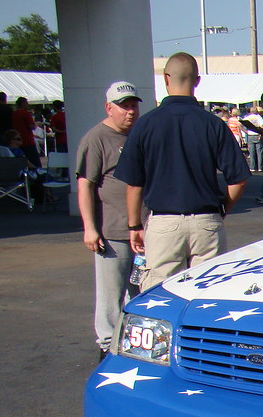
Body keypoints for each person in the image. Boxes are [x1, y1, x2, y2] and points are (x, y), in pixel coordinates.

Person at [115, 52, 250, 291]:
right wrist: (221, 210)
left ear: (166, 78)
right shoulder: (213, 124)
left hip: (164, 223)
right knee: (208, 295)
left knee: (161, 295)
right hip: (206, 221)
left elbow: (134, 184)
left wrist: (135, 225)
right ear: (197, 80)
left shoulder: (145, 125)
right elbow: (237, 180)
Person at [76, 82, 145, 360]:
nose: (130, 111)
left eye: (134, 105)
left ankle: (133, 342)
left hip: (140, 231)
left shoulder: (138, 136)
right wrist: (90, 228)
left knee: (138, 290)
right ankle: (107, 344)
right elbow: (85, 184)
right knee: (111, 294)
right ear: (109, 108)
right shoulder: (96, 138)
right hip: (112, 232)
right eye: (124, 106)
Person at [12, 97, 42, 169]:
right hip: (27, 140)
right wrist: (36, 125)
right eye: (26, 103)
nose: (27, 104)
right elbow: (32, 126)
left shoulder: (14, 113)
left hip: (17, 140)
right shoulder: (25, 113)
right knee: (34, 161)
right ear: (22, 103)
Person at [243, 104, 263, 171]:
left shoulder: (247, 117)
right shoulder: (258, 117)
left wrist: (245, 131)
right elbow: (262, 126)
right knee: (259, 152)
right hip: (257, 134)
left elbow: (240, 124)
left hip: (250, 135)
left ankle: (252, 167)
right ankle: (260, 167)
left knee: (251, 152)